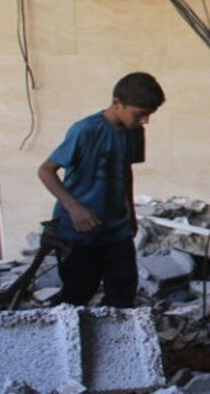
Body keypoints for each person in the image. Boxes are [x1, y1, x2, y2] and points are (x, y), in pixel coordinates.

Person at [37, 71, 165, 308]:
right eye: (139, 114)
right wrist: (74, 208)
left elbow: (125, 171)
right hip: (77, 230)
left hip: (115, 229)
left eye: (149, 114)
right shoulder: (85, 131)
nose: (145, 120)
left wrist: (130, 213)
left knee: (123, 291)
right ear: (117, 103)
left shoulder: (135, 132)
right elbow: (45, 171)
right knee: (79, 292)